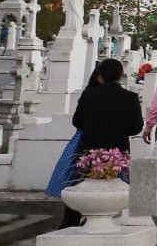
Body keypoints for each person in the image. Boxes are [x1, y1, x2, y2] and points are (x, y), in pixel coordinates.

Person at [61, 58, 142, 228]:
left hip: (89, 148)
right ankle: (112, 220)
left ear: (100, 76)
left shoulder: (89, 95)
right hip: (117, 150)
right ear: (121, 75)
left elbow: (77, 121)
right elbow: (136, 127)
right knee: (116, 185)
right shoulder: (130, 97)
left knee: (82, 183)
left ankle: (70, 222)